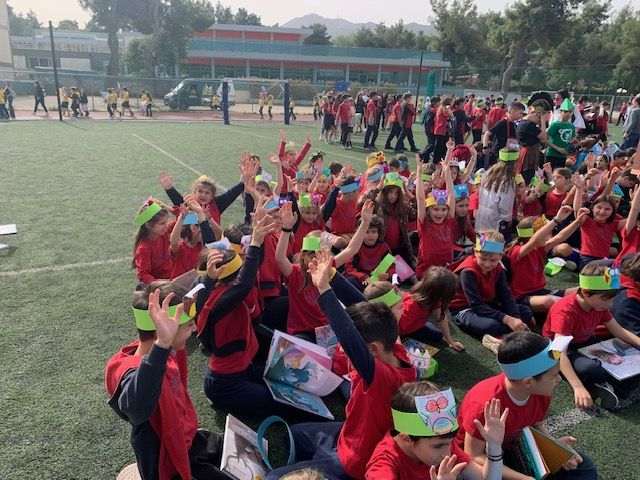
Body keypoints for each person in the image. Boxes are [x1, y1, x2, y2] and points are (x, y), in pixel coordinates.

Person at [265, 250, 417, 480]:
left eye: (347, 348)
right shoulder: (395, 348)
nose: (342, 350)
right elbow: (366, 307)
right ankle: (315, 462)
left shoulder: (382, 375)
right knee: (294, 434)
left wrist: (324, 290)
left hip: (354, 459)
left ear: (371, 349)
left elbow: (348, 336)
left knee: (272, 477)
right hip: (348, 433)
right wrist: (332, 276)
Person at [104, 285, 227, 480]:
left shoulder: (163, 353)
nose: (195, 328)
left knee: (242, 450)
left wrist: (207, 281)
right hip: (166, 463)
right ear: (161, 332)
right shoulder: (133, 369)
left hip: (186, 441)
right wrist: (162, 345)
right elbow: (135, 408)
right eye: (188, 325)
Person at [453, 331, 597, 480]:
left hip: (515, 447)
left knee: (584, 468)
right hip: (488, 459)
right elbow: (474, 455)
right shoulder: (485, 406)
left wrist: (555, 448)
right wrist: (523, 478)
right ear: (528, 382)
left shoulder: (540, 392)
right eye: (553, 376)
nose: (559, 379)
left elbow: (536, 425)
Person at [543, 262, 640, 410]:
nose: (611, 304)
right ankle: (593, 384)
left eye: (612, 298)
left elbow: (618, 331)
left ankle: (606, 385)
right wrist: (577, 387)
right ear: (586, 292)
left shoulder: (599, 306)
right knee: (591, 369)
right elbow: (558, 352)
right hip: (560, 350)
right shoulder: (565, 312)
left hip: (586, 342)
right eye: (606, 299)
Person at [366, 381, 508, 480]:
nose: (447, 454)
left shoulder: (440, 441)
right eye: (438, 446)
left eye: (449, 443)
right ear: (406, 438)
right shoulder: (383, 467)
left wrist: (494, 446)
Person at [451, 231, 534, 338]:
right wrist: (507, 319)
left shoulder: (498, 269)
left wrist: (516, 318)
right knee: (491, 326)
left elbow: (506, 296)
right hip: (465, 308)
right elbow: (476, 305)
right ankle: (502, 332)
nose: (487, 264)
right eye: (483, 258)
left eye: (493, 260)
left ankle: (505, 331)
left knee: (525, 312)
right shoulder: (468, 272)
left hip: (487, 304)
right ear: (475, 252)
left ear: (501, 256)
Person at [546, 99, 577, 169]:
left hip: (563, 156)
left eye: (570, 112)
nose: (568, 114)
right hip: (552, 154)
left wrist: (570, 147)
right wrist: (558, 149)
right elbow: (546, 139)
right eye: (565, 111)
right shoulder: (555, 124)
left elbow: (572, 139)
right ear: (560, 112)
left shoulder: (571, 126)